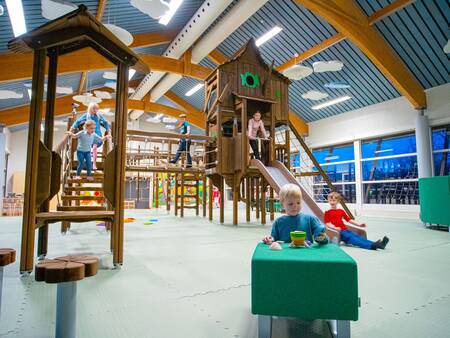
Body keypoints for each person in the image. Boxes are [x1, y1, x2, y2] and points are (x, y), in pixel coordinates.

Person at [263, 184, 328, 245]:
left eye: (298, 203)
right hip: (285, 255)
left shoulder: (310, 219)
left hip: (306, 254)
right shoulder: (278, 222)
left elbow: (322, 235)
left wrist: (322, 238)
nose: (295, 206)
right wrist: (269, 239)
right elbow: (273, 239)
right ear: (282, 205)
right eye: (291, 204)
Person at [325, 192, 389, 250]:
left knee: (358, 237)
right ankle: (371, 246)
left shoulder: (341, 211)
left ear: (338, 201)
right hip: (338, 231)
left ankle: (380, 245)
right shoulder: (327, 212)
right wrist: (334, 227)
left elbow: (349, 220)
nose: (332, 202)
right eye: (330, 200)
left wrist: (359, 225)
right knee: (353, 239)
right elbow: (327, 223)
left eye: (334, 200)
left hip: (345, 230)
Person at [71, 102, 111, 170]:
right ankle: (85, 162)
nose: (95, 110)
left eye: (96, 109)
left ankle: (94, 164)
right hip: (88, 135)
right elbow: (77, 121)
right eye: (94, 108)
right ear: (90, 108)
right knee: (86, 149)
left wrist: (109, 131)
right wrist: (71, 129)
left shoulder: (99, 115)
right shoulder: (86, 115)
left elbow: (105, 122)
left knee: (94, 147)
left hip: (97, 135)